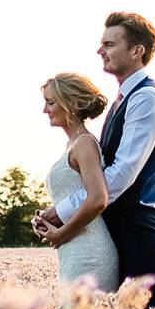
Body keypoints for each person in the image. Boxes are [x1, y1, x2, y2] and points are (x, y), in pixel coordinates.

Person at [35, 12, 155, 309]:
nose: (100, 51)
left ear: (136, 51)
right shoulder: (123, 100)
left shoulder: (147, 99)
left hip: (139, 224)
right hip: (120, 225)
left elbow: (120, 175)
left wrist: (61, 211)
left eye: (109, 44)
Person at [37, 72, 119, 291]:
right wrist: (50, 217)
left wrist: (62, 233)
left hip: (89, 251)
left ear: (72, 103)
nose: (45, 110)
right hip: (75, 248)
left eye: (50, 102)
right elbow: (76, 195)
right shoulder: (74, 145)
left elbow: (98, 198)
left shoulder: (84, 144)